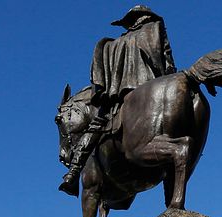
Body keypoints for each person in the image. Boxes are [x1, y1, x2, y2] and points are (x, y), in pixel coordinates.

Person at [59, 5, 177, 196]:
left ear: (130, 22)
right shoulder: (155, 29)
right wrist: (170, 82)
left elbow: (100, 77)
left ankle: (72, 173)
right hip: (154, 89)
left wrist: (105, 94)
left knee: (96, 126)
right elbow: (167, 59)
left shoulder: (112, 44)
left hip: (120, 95)